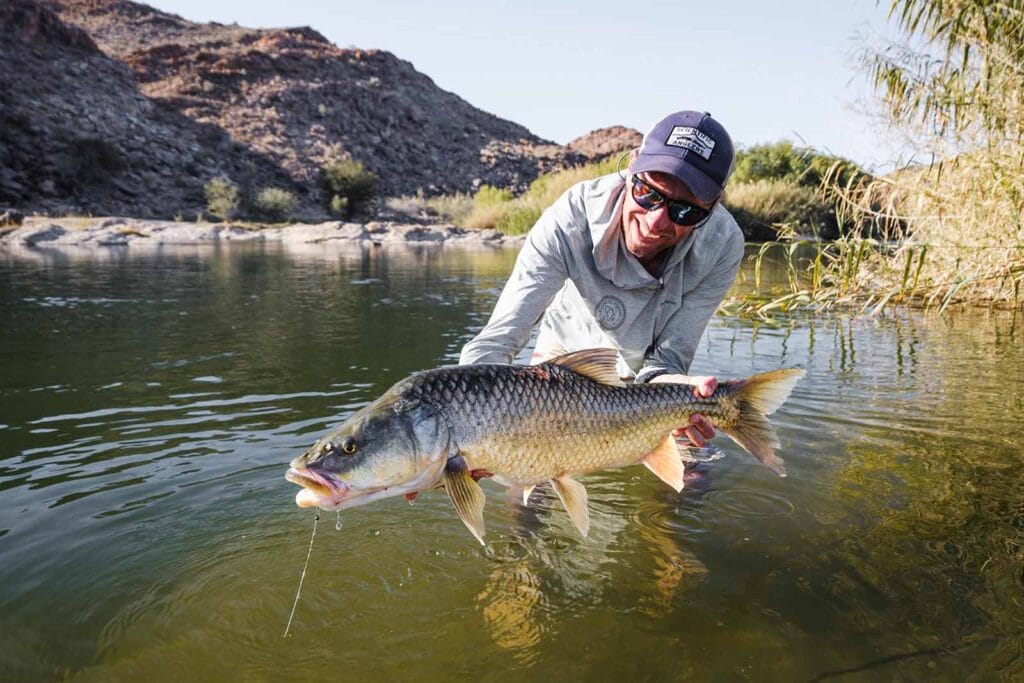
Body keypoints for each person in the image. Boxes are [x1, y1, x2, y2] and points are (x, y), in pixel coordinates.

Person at [459, 110, 744, 449]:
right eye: (648, 193)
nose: (655, 222)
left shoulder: (722, 244)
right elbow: (496, 343)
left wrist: (683, 398)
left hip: (651, 387)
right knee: (530, 470)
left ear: (712, 207)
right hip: (562, 370)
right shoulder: (570, 218)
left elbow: (666, 363)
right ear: (632, 166)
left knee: (693, 471)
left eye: (685, 211)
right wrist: (465, 432)